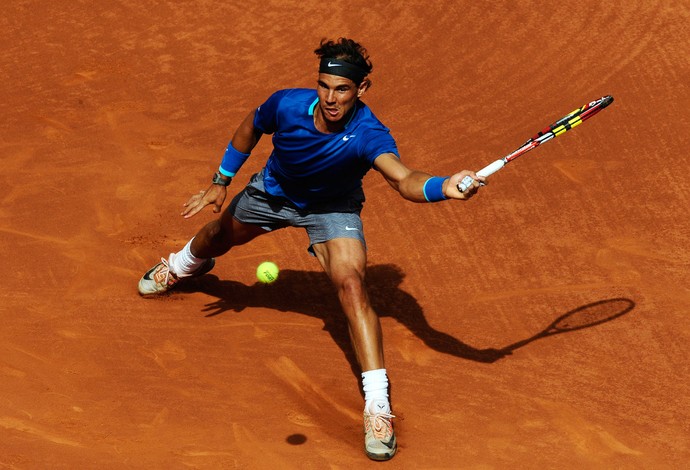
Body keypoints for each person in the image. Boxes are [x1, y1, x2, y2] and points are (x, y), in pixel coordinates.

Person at [138, 37, 484, 461]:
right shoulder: (286, 105)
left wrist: (443, 187)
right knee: (217, 236)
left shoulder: (368, 134)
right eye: (324, 86)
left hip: (332, 209)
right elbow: (251, 124)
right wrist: (222, 179)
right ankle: (182, 264)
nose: (331, 98)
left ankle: (378, 406)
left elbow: (403, 178)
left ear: (362, 89)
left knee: (352, 285)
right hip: (273, 192)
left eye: (342, 89)